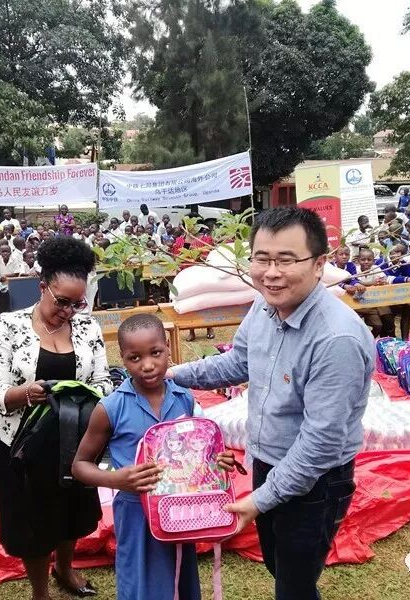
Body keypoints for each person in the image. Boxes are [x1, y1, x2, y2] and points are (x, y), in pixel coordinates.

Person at [165, 207, 374, 600]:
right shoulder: (264, 306)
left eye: (286, 260)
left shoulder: (336, 340)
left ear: (318, 264)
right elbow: (238, 362)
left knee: (294, 584)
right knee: (281, 566)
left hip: (317, 479)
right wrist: (173, 374)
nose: (271, 273)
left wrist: (257, 502)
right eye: (262, 259)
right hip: (267, 460)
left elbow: (320, 444)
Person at [0, 236, 112, 599]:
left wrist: (91, 394)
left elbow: (103, 380)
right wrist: (24, 393)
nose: (69, 311)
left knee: (71, 508)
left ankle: (65, 569)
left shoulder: (87, 328)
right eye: (62, 302)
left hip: (73, 437)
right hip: (20, 443)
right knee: (32, 520)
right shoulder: (8, 326)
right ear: (43, 287)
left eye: (77, 303)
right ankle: (40, 592)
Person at [72, 315, 236, 600]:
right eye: (135, 357)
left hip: (179, 509)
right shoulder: (111, 408)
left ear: (168, 348)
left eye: (155, 353)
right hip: (135, 512)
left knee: (180, 578)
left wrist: (216, 461)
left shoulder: (184, 398)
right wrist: (117, 480)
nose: (147, 365)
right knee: (141, 583)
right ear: (122, 358)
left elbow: (198, 453)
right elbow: (79, 465)